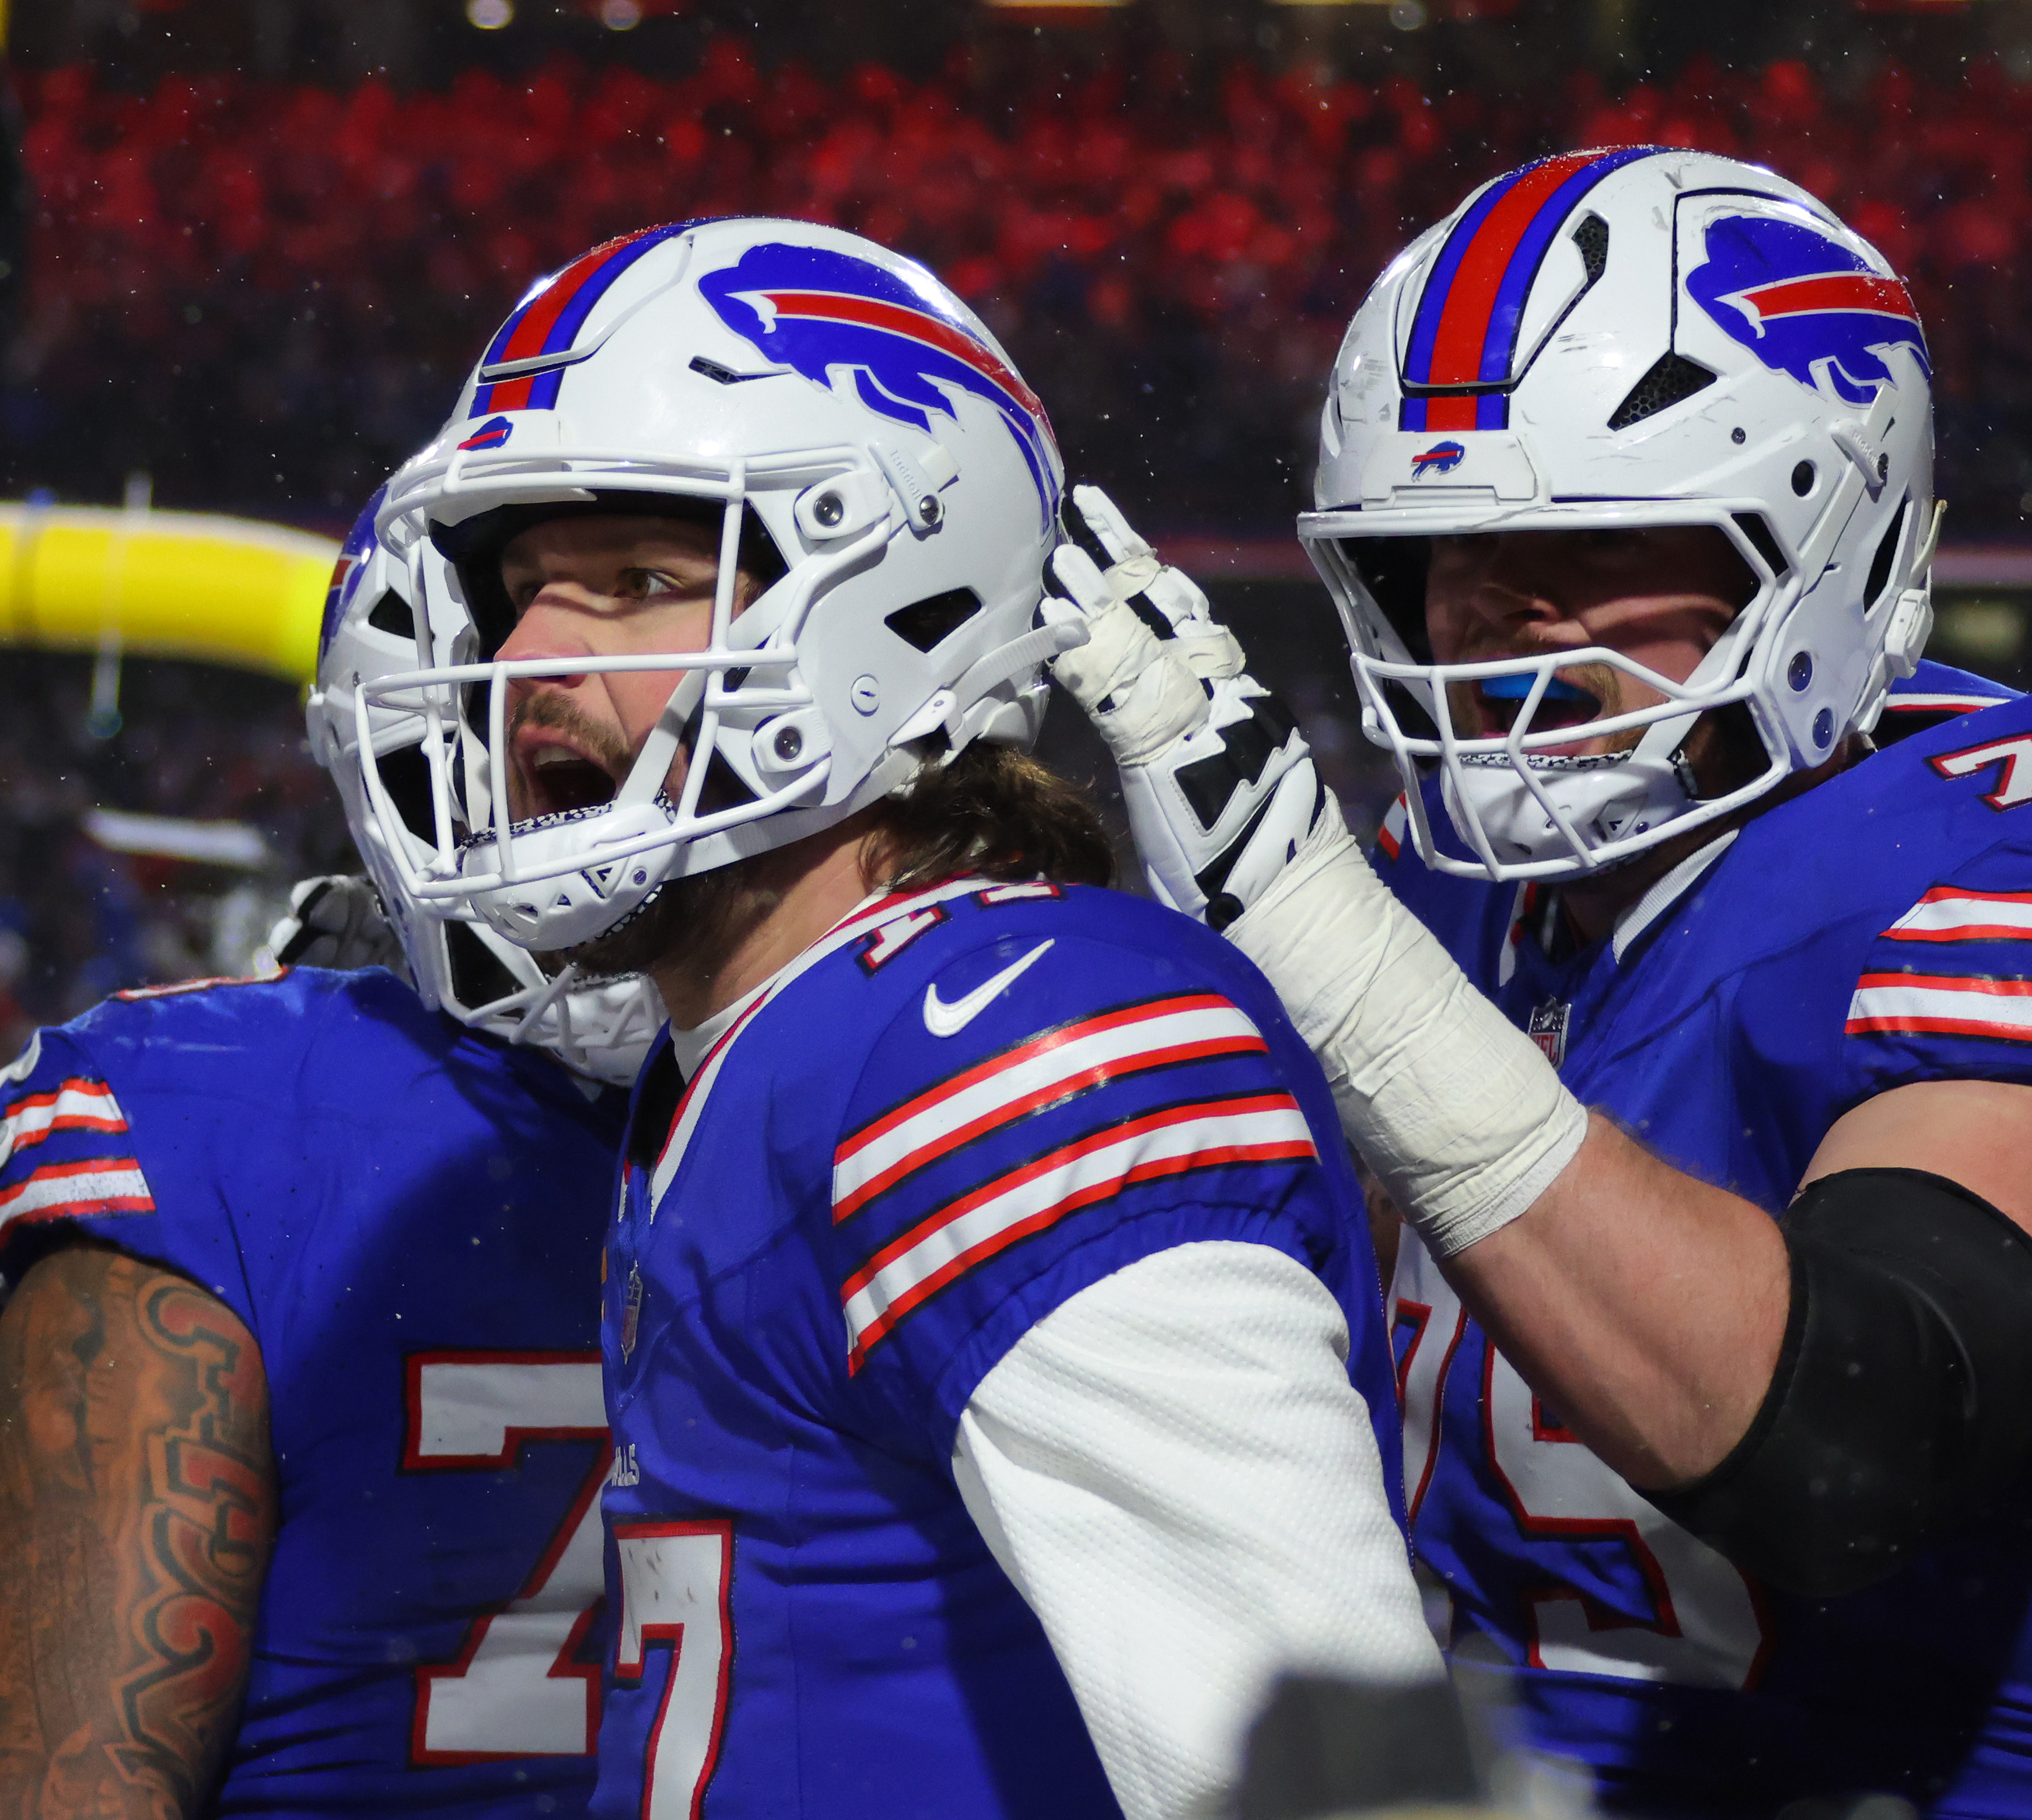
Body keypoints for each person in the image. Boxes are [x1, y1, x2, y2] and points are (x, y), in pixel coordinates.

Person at [355, 217, 1440, 1820]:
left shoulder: (1001, 1038)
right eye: (518, 595)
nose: (522, 663)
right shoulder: (765, 1039)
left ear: (894, 616)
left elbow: (1333, 1793)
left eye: (640, 583)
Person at [1053, 147, 2032, 1811]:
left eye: (1586, 547)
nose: (1489, 613)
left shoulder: (1967, 859)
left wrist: (1337, 978)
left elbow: (1851, 1449)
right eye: (1436, 552)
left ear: (1823, 543)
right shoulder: (1433, 884)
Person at [0, 508, 660, 1817]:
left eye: (642, 584)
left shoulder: (922, 1082)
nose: (544, 648)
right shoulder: (236, 1116)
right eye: (522, 594)